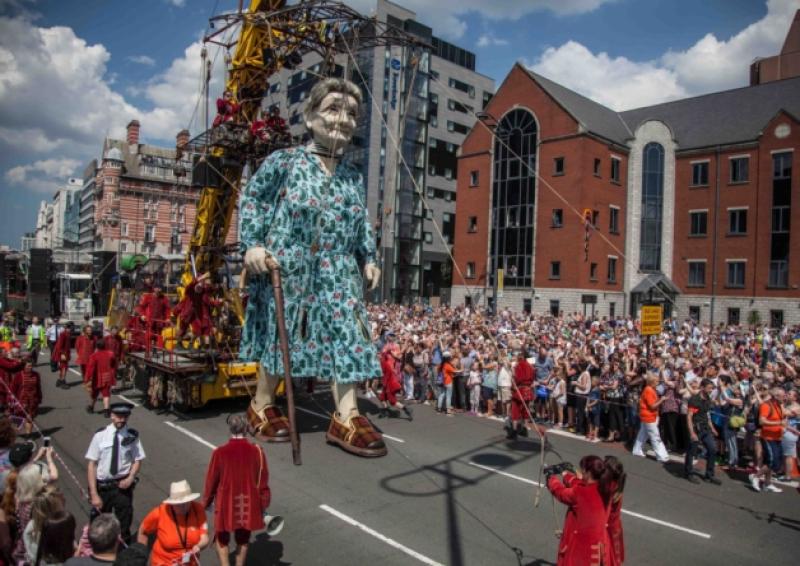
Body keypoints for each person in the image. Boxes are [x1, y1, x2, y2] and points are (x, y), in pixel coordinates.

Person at [239, 77, 384, 457]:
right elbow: (253, 200)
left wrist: (369, 257)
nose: (343, 119)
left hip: (339, 270)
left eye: (352, 113)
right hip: (290, 265)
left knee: (348, 335)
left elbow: (361, 223)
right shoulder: (284, 162)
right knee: (283, 335)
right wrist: (252, 245)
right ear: (310, 117)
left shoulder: (352, 176)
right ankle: (261, 404)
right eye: (333, 109)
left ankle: (346, 415)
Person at [203, 415, 270, 566]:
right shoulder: (257, 452)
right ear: (246, 429)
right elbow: (263, 480)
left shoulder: (220, 453)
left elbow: (211, 482)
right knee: (243, 538)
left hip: (225, 502)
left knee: (222, 537)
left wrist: (206, 502)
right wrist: (263, 503)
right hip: (248, 501)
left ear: (230, 429)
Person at [85, 403, 145, 543]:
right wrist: (94, 494)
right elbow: (92, 464)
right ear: (111, 416)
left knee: (124, 523)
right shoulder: (100, 435)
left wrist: (130, 478)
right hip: (103, 487)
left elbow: (137, 459)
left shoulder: (132, 436)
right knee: (99, 525)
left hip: (122, 486)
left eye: (125, 416)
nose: (121, 420)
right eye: (118, 416)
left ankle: (122, 553)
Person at [546, 455, 617, 566]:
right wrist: (565, 473)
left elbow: (561, 493)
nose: (581, 472)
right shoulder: (607, 487)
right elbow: (579, 483)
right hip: (599, 546)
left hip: (582, 549)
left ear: (588, 473)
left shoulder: (581, 493)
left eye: (583, 470)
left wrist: (551, 478)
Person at [137, 480, 208, 566]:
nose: (184, 507)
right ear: (172, 503)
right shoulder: (160, 512)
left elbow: (204, 537)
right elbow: (143, 531)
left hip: (190, 563)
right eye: (179, 504)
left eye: (186, 503)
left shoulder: (198, 509)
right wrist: (141, 555)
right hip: (163, 563)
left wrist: (199, 546)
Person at [684, 378, 721, 484]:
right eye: (709, 388)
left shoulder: (708, 398)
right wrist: (692, 433)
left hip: (706, 429)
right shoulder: (694, 400)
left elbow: (707, 415)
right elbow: (689, 417)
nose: (711, 390)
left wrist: (712, 428)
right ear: (702, 387)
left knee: (712, 449)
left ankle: (709, 475)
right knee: (692, 451)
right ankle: (689, 473)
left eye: (712, 389)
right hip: (696, 428)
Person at [750, 387, 786, 493]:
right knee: (772, 461)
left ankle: (767, 483)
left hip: (777, 437)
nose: (785, 397)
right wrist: (779, 423)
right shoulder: (766, 405)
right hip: (768, 438)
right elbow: (762, 421)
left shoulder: (778, 405)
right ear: (776, 396)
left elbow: (781, 419)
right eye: (783, 395)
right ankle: (756, 476)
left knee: (775, 462)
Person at [631, 373, 670, 463]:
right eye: (656, 381)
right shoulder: (649, 390)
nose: (658, 382)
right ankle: (661, 456)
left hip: (647, 416)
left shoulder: (650, 389)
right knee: (655, 436)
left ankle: (637, 450)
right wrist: (662, 400)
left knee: (643, 434)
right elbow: (652, 406)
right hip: (649, 416)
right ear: (652, 381)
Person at [23, 486, 66, 564]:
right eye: (62, 501)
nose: (64, 500)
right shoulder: (55, 533)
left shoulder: (32, 525)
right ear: (52, 510)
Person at [378, 344, 412, 420]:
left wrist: (384, 383)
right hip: (387, 383)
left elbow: (388, 374)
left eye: (379, 355)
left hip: (390, 384)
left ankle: (407, 410)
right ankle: (386, 412)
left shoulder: (384, 363)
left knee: (393, 401)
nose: (378, 356)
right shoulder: (383, 362)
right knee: (382, 398)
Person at [84, 340, 117, 417]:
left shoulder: (94, 356)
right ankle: (106, 410)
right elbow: (114, 363)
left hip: (97, 378)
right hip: (107, 376)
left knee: (94, 394)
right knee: (106, 393)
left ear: (97, 347)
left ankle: (91, 407)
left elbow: (90, 368)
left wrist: (87, 379)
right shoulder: (110, 354)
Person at [603, 456, 626, 566]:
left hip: (607, 529)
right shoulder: (618, 484)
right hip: (615, 526)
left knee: (606, 558)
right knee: (614, 559)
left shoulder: (608, 488)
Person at [507, 350, 534, 440]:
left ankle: (514, 430)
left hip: (520, 390)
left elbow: (517, 379)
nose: (518, 357)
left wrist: (513, 378)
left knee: (515, 410)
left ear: (522, 356)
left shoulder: (518, 366)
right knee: (525, 410)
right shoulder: (530, 366)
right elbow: (532, 378)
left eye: (519, 355)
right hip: (528, 390)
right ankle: (524, 428)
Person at [11, 360, 42, 435]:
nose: (30, 367)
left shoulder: (36, 375)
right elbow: (13, 389)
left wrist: (39, 398)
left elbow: (38, 387)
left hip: (33, 401)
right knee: (17, 419)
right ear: (23, 367)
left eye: (31, 366)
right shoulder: (18, 375)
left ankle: (28, 436)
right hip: (21, 401)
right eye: (28, 366)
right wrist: (12, 401)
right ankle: (12, 435)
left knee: (30, 419)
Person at [51, 323, 72, 389]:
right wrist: (62, 354)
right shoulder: (63, 334)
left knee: (63, 367)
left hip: (66, 353)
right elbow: (60, 345)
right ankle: (62, 381)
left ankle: (59, 381)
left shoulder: (68, 334)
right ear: (66, 328)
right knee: (63, 368)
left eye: (70, 328)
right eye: (69, 327)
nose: (70, 329)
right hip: (62, 353)